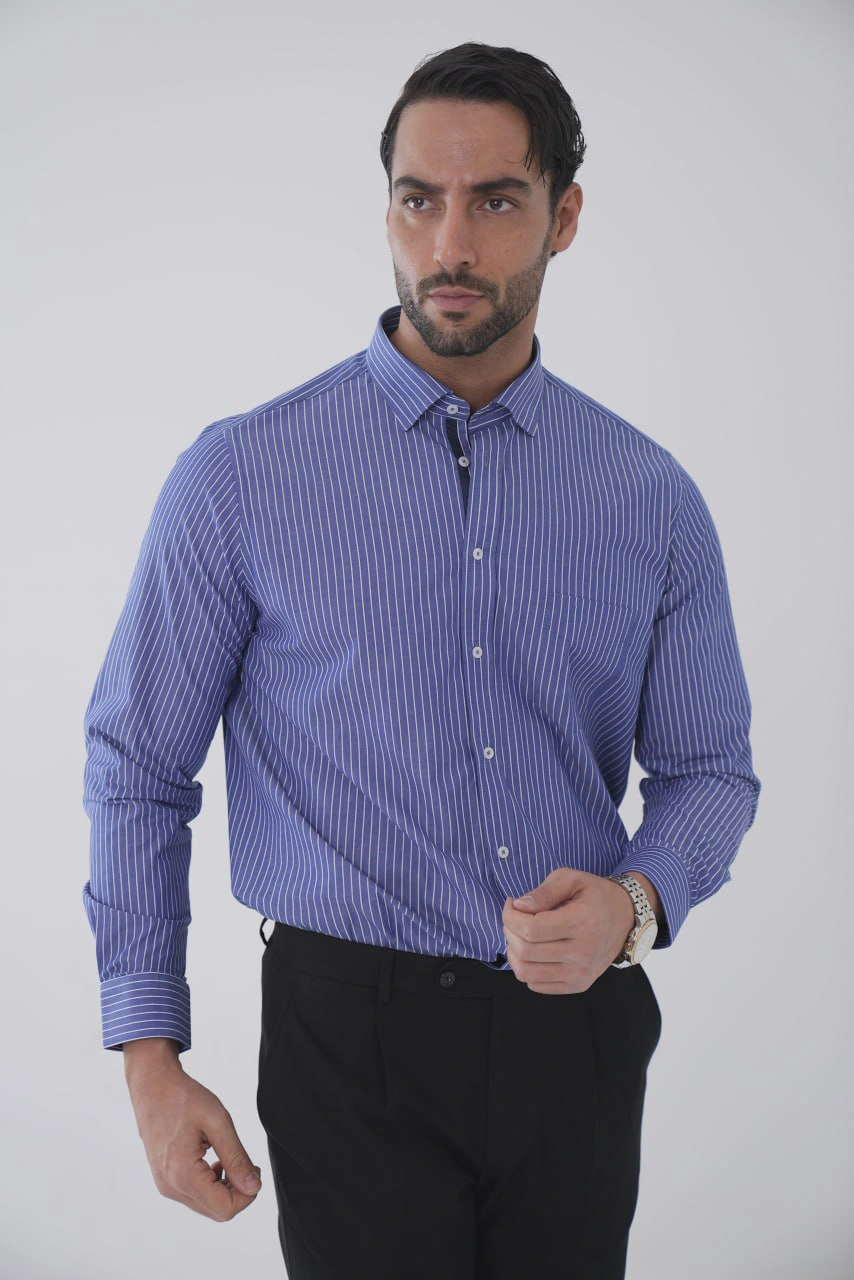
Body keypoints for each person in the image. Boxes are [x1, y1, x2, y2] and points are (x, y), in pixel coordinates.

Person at [81, 40, 761, 1279]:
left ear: (561, 217)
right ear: (386, 205)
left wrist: (635, 903)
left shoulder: (648, 496)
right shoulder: (240, 476)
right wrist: (149, 1056)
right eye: (416, 198)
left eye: (494, 201)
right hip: (347, 1040)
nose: (448, 243)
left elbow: (710, 768)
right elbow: (137, 763)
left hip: (576, 1034)